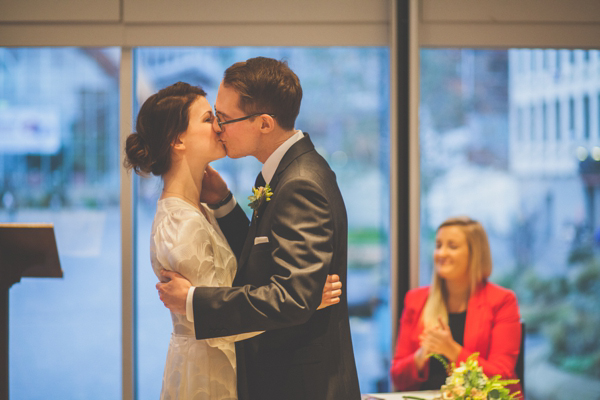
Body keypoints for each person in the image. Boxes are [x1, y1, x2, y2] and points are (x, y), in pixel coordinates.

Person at [156, 57, 361, 400]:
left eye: (223, 118)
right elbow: (264, 256)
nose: (218, 128)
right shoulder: (283, 172)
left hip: (301, 385)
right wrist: (224, 204)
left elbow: (292, 297)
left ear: (264, 123)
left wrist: (194, 301)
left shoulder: (300, 182)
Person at [390, 216, 522, 396]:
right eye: (438, 245)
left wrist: (451, 350)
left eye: (452, 246)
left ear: (475, 254)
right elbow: (397, 377)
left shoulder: (502, 300)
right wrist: (421, 356)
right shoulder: (415, 299)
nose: (441, 253)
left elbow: (503, 377)